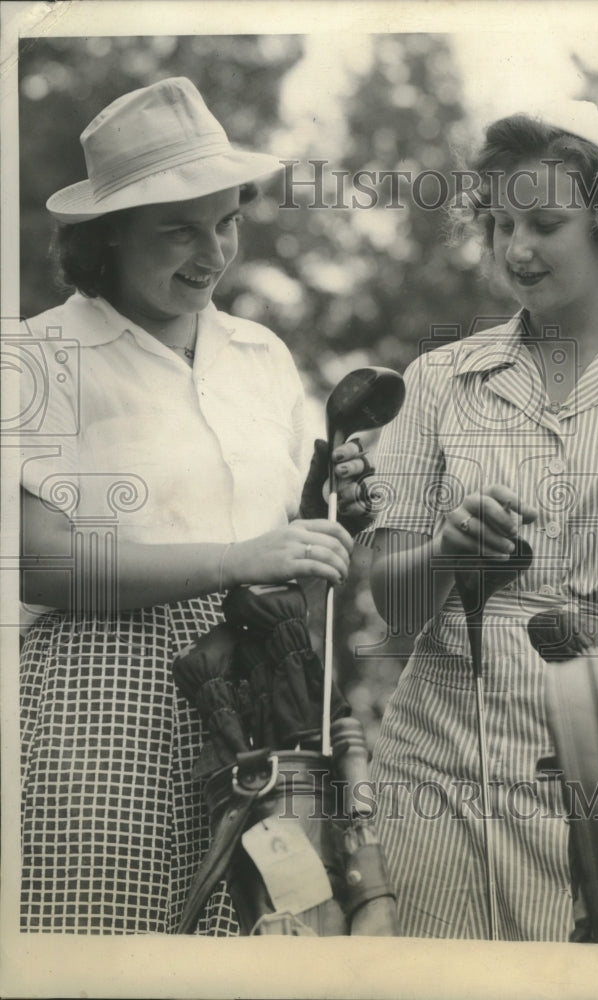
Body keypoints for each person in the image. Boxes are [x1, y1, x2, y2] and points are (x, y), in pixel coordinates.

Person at [17, 76, 372, 935]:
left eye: (226, 221)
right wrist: (235, 558)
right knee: (104, 942)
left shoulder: (261, 356)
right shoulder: (43, 353)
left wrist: (331, 524)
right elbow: (43, 558)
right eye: (177, 229)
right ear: (105, 239)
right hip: (101, 709)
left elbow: (287, 567)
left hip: (257, 701)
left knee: (253, 949)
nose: (211, 251)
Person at [363, 100, 598, 940]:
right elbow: (398, 605)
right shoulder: (439, 380)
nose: (515, 249)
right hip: (446, 765)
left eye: (544, 223)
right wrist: (448, 550)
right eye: (498, 224)